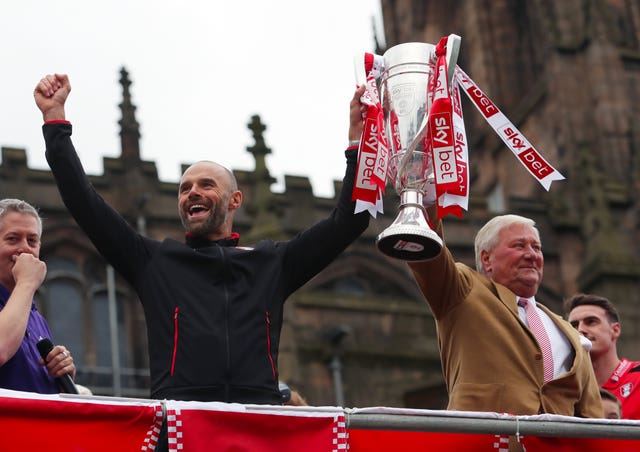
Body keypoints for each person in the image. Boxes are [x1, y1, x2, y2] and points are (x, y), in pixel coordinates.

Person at [34, 73, 369, 405]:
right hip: (182, 422)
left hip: (259, 420)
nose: (192, 191)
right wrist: (55, 121)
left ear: (235, 200)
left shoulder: (271, 263)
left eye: (206, 184)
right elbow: (83, 201)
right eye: (184, 188)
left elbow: (351, 221)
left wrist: (359, 143)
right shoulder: (154, 262)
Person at [408, 213, 602, 419]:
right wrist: (425, 201)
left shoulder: (570, 332)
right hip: (485, 442)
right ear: (487, 259)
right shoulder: (463, 292)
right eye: (519, 246)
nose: (532, 255)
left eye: (536, 248)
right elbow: (430, 258)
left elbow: (592, 415)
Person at [0, 198, 76, 393]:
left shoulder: (36, 318)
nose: (25, 248)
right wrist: (26, 282)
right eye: (13, 238)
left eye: (32, 240)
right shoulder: (26, 288)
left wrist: (61, 376)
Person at [565, 293, 640, 419]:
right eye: (574, 326)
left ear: (615, 330)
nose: (580, 330)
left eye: (591, 322)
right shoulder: (560, 390)